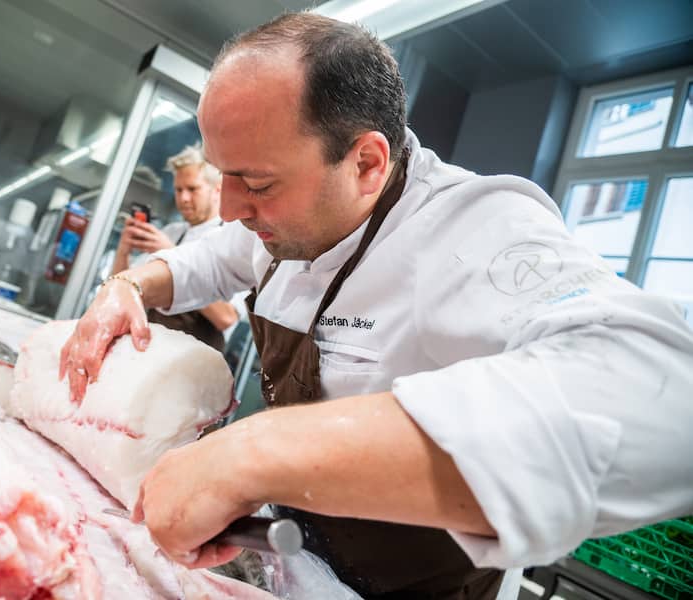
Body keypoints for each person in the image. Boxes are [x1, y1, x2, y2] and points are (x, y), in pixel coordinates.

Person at [59, 13, 693, 599]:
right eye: (224, 176)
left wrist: (253, 452)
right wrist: (130, 287)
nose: (229, 207)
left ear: (366, 162)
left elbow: (666, 395)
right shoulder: (284, 222)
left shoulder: (475, 230)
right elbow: (210, 257)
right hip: (298, 563)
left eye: (256, 184)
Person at [110, 145, 239, 352]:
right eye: (179, 190)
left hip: (189, 363)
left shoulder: (232, 239)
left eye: (192, 189)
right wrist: (124, 249)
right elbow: (121, 288)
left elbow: (226, 318)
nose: (184, 198)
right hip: (146, 350)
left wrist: (172, 255)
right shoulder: (172, 232)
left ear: (217, 190)